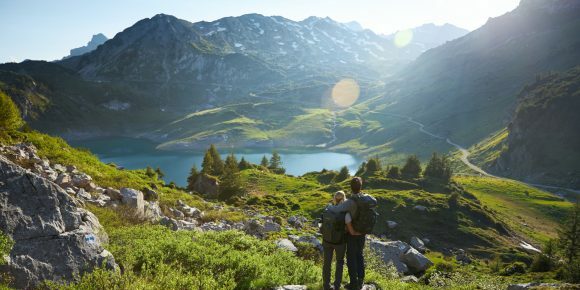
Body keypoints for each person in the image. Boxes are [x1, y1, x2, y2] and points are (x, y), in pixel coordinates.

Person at [329, 177, 377, 290]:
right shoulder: (366, 199)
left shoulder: (351, 201)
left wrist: (330, 205)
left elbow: (336, 210)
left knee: (351, 257)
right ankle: (361, 280)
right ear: (361, 187)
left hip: (352, 233)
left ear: (350, 187)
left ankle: (353, 283)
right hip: (363, 232)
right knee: (359, 255)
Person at [321, 191, 347, 290]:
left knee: (326, 263)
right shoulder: (344, 212)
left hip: (327, 240)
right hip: (340, 242)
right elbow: (347, 226)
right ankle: (337, 286)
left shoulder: (327, 209)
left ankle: (326, 286)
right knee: (339, 262)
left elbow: (321, 223)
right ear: (344, 199)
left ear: (334, 198)